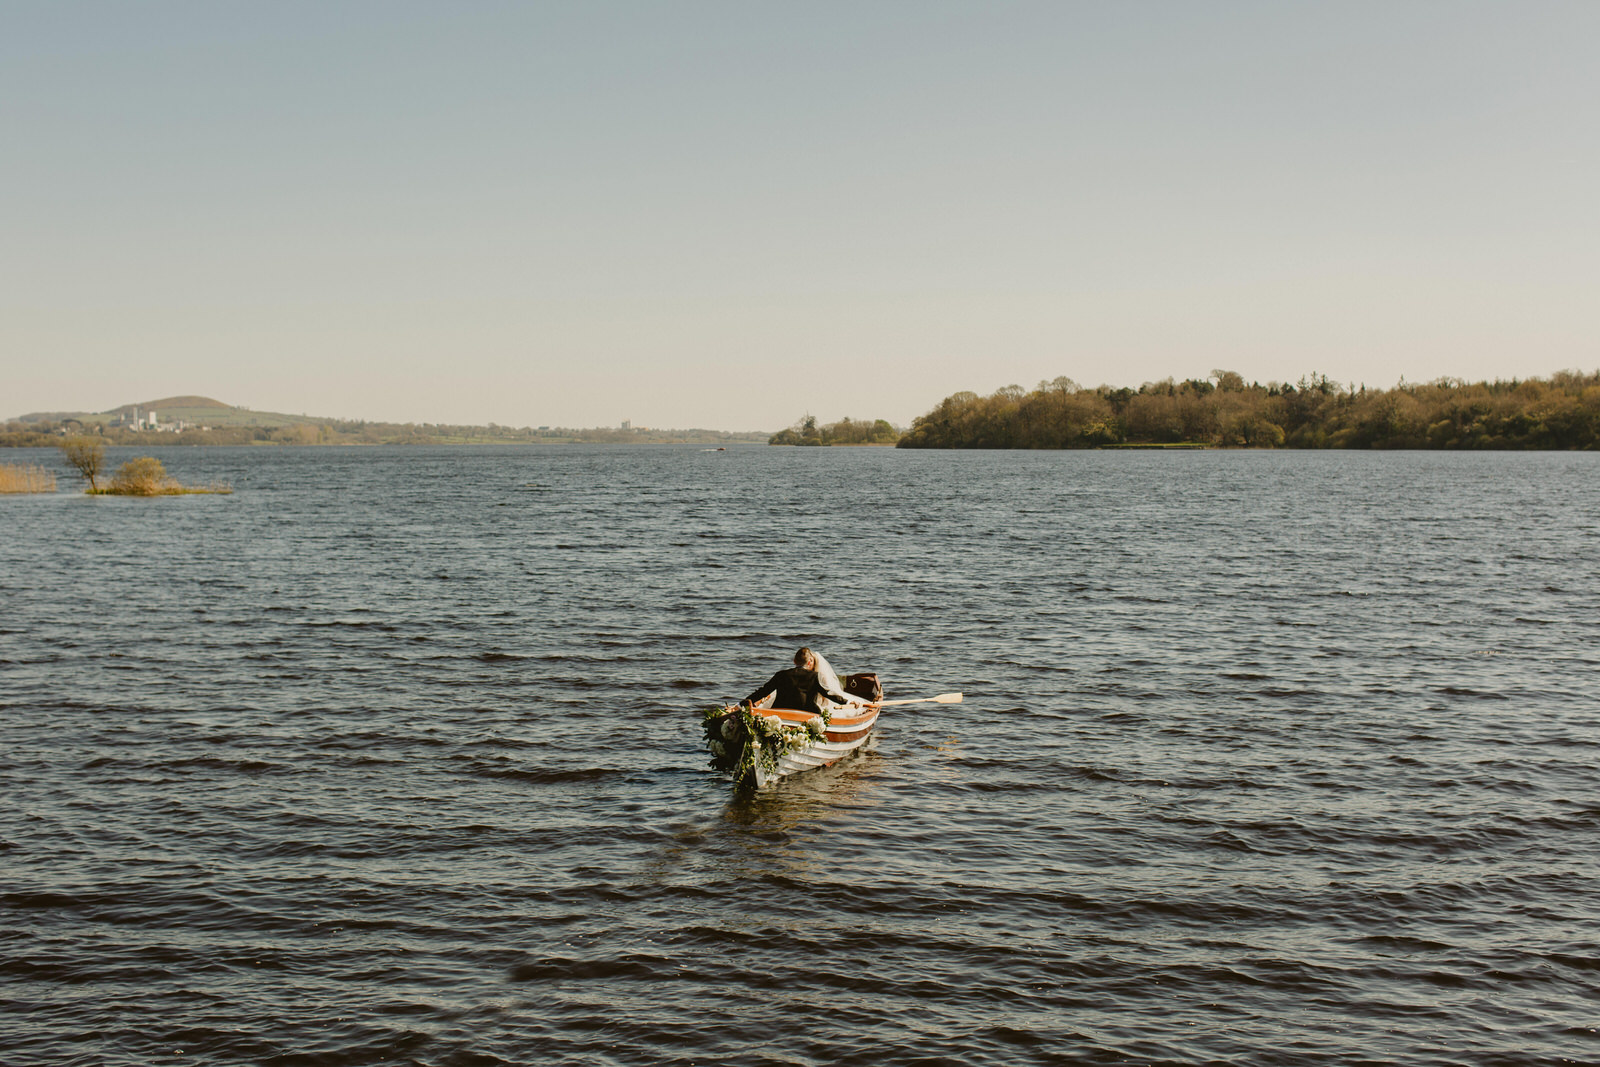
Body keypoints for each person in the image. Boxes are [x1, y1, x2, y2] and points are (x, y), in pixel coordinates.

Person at [744, 647, 858, 716]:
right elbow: (828, 693)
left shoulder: (781, 675)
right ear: (809, 663)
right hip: (807, 714)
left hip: (780, 713)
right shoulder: (815, 676)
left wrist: (743, 703)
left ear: (794, 661)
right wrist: (847, 702)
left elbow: (763, 691)